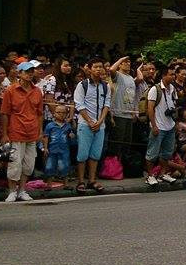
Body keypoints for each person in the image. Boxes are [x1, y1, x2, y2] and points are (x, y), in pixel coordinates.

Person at [0, 61, 44, 202]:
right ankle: (12, 190)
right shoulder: (10, 90)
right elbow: (5, 113)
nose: (30, 74)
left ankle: (22, 190)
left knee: (28, 164)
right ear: (20, 73)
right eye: (27, 71)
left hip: (32, 132)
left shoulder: (37, 91)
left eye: (31, 71)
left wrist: (40, 131)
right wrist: (5, 134)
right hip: (16, 131)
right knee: (15, 164)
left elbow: (40, 113)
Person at [73, 57, 111, 194]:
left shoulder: (105, 86)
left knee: (95, 154)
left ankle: (92, 180)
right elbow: (79, 104)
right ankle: (81, 181)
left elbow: (107, 104)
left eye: (101, 67)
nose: (99, 69)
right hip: (85, 124)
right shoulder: (83, 85)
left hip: (100, 125)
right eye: (95, 67)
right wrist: (89, 121)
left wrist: (100, 121)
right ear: (89, 69)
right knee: (82, 154)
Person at [144, 65, 178, 186]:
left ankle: (163, 173)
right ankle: (150, 175)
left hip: (170, 125)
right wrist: (154, 125)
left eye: (174, 74)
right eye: (171, 74)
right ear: (164, 75)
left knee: (167, 152)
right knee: (152, 152)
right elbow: (150, 108)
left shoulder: (173, 89)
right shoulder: (155, 89)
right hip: (158, 125)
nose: (173, 76)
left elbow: (174, 105)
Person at [108, 56, 138, 163]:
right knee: (117, 142)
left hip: (129, 114)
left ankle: (123, 166)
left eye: (129, 63)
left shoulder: (130, 78)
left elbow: (133, 95)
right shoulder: (118, 76)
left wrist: (134, 111)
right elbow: (111, 69)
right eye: (125, 63)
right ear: (120, 64)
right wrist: (121, 59)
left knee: (127, 143)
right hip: (118, 113)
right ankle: (113, 166)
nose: (128, 64)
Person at [42, 105, 74, 189]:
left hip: (64, 149)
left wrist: (71, 135)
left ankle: (66, 184)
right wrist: (45, 148)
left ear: (67, 114)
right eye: (58, 112)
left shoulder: (67, 126)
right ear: (54, 114)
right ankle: (49, 185)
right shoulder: (50, 125)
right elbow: (46, 137)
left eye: (63, 113)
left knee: (65, 166)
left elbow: (71, 135)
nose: (61, 114)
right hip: (52, 149)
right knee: (50, 166)